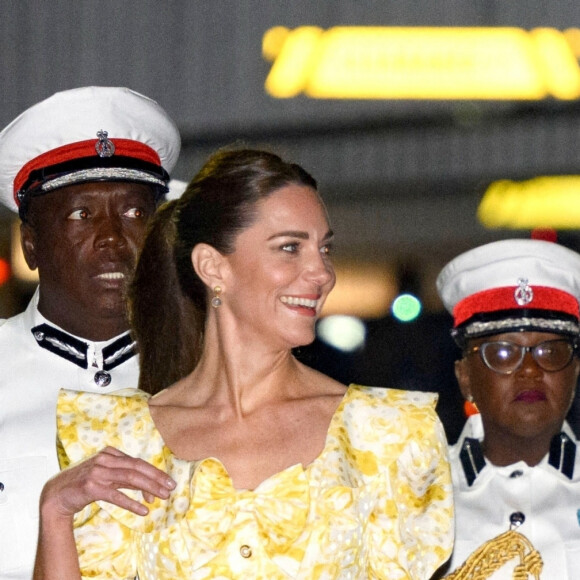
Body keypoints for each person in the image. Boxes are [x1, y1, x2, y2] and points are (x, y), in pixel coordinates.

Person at [34, 148, 454, 580]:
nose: (322, 272)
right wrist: (55, 510)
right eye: (290, 247)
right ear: (213, 267)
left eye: (324, 248)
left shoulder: (386, 435)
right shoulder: (125, 439)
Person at [0, 86, 180, 580]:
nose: (111, 239)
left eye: (134, 213)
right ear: (31, 245)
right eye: (81, 214)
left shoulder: (208, 373)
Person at [435, 238, 580, 579]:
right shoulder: (421, 499)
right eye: (503, 353)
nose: (530, 370)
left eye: (550, 352)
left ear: (574, 372)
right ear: (465, 377)